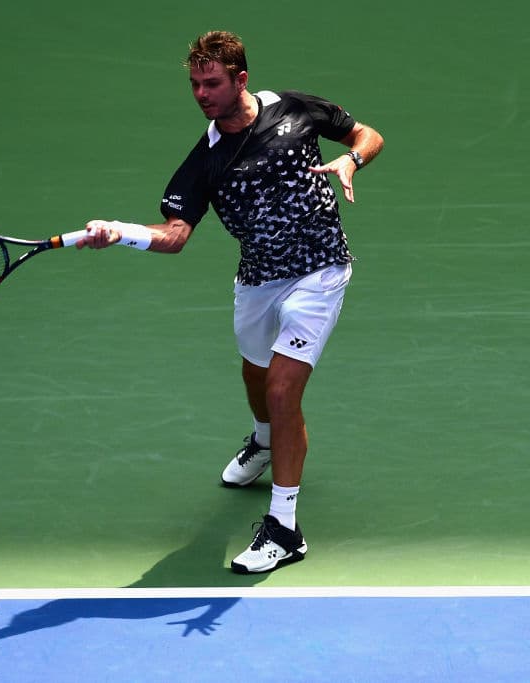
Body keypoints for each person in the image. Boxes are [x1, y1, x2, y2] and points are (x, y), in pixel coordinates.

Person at [77, 30, 384, 574]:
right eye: (194, 84)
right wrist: (118, 230)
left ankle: (284, 529)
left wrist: (351, 161)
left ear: (240, 79)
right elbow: (175, 235)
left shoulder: (294, 108)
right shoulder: (205, 162)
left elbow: (366, 134)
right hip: (258, 279)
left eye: (211, 83)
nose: (201, 94)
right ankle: (263, 442)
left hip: (320, 270)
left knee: (283, 388)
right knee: (255, 375)